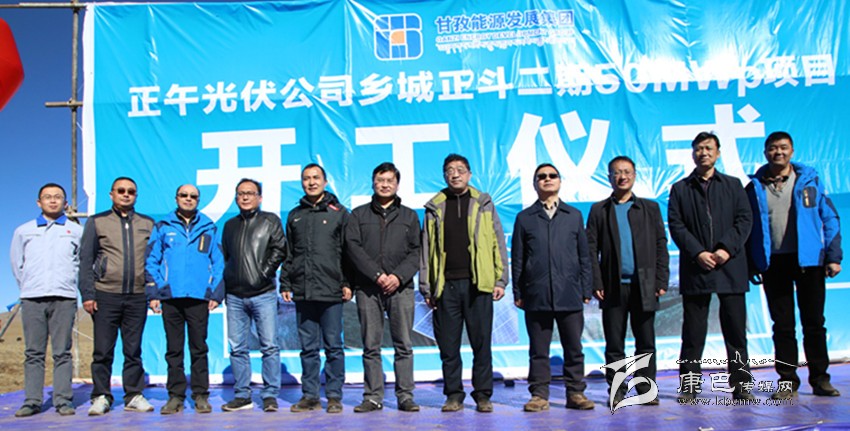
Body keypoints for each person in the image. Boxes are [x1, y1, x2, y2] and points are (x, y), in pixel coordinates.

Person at [746, 131, 842, 399]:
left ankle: (820, 380)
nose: (778, 152)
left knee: (814, 323)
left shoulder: (810, 181)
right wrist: (753, 263)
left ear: (792, 151)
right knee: (783, 326)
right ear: (765, 153)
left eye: (783, 147)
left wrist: (833, 256)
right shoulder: (754, 187)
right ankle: (787, 381)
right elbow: (747, 228)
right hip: (774, 263)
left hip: (809, 262)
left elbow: (830, 218)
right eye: (773, 148)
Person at [667, 132, 755, 401]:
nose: (703, 153)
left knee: (735, 333)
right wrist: (698, 253)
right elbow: (676, 225)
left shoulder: (733, 185)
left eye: (708, 148)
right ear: (692, 154)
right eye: (698, 149)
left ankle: (741, 385)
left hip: (731, 266)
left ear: (717, 153)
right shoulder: (681, 188)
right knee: (693, 334)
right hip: (697, 268)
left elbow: (744, 220)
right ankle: (689, 386)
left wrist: (726, 248)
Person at [420, 154, 508, 413]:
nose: (455, 174)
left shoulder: (483, 203)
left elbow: (497, 241)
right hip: (445, 286)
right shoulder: (435, 207)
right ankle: (453, 395)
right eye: (449, 170)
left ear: (469, 174)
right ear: (444, 175)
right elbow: (426, 250)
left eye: (460, 169)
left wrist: (500, 278)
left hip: (477, 285)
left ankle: (483, 395)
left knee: (481, 344)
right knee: (448, 346)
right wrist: (426, 286)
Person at [586, 156, 669, 406]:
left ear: (634, 175)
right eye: (617, 173)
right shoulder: (599, 210)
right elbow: (591, 249)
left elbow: (660, 244)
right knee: (614, 343)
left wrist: (660, 279)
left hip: (644, 284)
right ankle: (617, 390)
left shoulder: (649, 208)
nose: (622, 176)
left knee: (646, 342)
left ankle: (645, 389)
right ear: (609, 178)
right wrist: (596, 282)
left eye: (626, 172)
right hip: (612, 286)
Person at [512, 163, 595, 412]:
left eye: (552, 176)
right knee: (538, 350)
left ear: (559, 181)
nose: (547, 179)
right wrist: (518, 292)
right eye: (541, 177)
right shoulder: (525, 218)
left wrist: (586, 289)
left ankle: (576, 393)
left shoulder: (573, 215)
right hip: (536, 294)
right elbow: (518, 258)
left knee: (574, 348)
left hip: (569, 292)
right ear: (534, 183)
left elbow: (584, 256)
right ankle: (539, 395)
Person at [345, 162, 421, 413]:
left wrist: (397, 276)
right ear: (373, 183)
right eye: (380, 180)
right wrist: (377, 275)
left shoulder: (409, 216)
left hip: (401, 288)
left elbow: (416, 251)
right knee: (370, 346)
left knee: (404, 345)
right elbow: (353, 249)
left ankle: (405, 396)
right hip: (368, 288)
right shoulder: (358, 215)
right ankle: (373, 396)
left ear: (397, 184)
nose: (385, 185)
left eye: (390, 180)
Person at [79, 177, 156, 415]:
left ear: (136, 195)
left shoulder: (147, 223)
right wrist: (88, 294)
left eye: (131, 191)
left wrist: (152, 291)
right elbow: (86, 260)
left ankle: (133, 395)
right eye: (121, 190)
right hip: (105, 294)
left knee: (133, 350)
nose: (126, 194)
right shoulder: (97, 222)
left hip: (137, 296)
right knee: (103, 350)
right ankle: (101, 395)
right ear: (111, 194)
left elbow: (153, 261)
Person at [145, 184, 224, 414]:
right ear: (176, 198)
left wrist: (214, 292)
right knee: (174, 350)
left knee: (199, 348)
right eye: (184, 195)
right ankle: (175, 396)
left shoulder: (209, 227)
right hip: (171, 298)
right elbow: (151, 261)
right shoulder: (162, 226)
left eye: (193, 196)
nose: (188, 199)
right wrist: (157, 291)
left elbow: (219, 263)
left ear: (198, 200)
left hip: (198, 298)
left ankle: (201, 395)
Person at [280, 163, 352, 414]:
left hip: (331, 289)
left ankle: (333, 396)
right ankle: (310, 395)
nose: (311, 182)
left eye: (316, 178)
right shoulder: (295, 215)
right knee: (308, 348)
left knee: (333, 346)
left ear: (325, 181)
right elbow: (290, 253)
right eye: (306, 178)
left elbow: (347, 252)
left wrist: (347, 282)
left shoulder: (339, 213)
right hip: (303, 290)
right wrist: (286, 282)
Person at [10, 183, 83, 417]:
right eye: (47, 197)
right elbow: (17, 264)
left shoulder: (75, 231)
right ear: (38, 202)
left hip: (64, 297)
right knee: (34, 352)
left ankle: (63, 400)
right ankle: (32, 401)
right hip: (33, 298)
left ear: (65, 203)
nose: (53, 200)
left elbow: (81, 263)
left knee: (62, 352)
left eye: (57, 197)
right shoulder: (24, 231)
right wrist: (29, 286)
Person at [220, 178, 287, 413]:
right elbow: (227, 257)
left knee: (269, 346)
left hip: (263, 294)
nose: (245, 197)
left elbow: (280, 249)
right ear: (236, 198)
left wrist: (263, 274)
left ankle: (270, 395)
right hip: (235, 296)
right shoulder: (229, 225)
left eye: (250, 193)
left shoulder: (270, 221)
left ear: (260, 197)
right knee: (237, 348)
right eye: (241, 193)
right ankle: (242, 395)